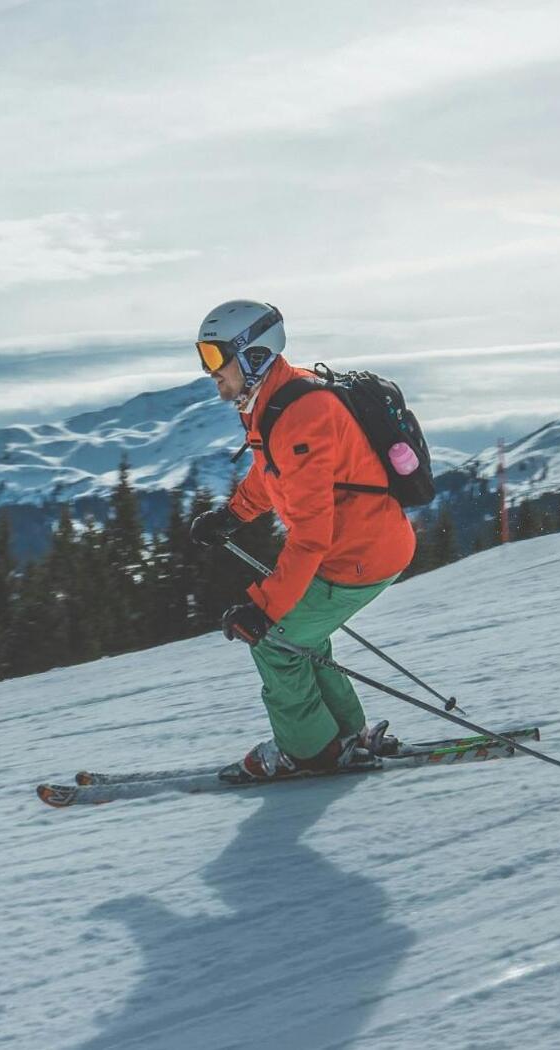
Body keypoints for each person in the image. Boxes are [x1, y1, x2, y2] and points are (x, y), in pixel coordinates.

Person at [188, 299, 418, 780]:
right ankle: (345, 736)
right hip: (361, 547)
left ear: (252, 354)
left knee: (276, 642)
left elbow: (312, 537)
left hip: (357, 556)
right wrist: (231, 517)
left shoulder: (300, 415)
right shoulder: (271, 403)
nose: (210, 373)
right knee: (303, 638)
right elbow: (269, 475)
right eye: (203, 357)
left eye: (214, 358)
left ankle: (311, 751)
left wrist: (264, 609)